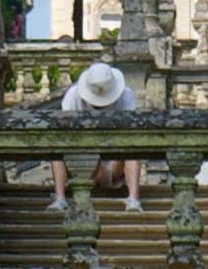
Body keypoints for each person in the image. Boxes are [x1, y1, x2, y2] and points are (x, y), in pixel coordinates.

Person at [50, 60, 142, 212]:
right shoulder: (73, 96)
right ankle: (60, 198)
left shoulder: (125, 96)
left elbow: (129, 134)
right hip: (81, 161)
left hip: (115, 163)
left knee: (133, 147)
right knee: (57, 146)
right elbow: (65, 135)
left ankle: (133, 198)